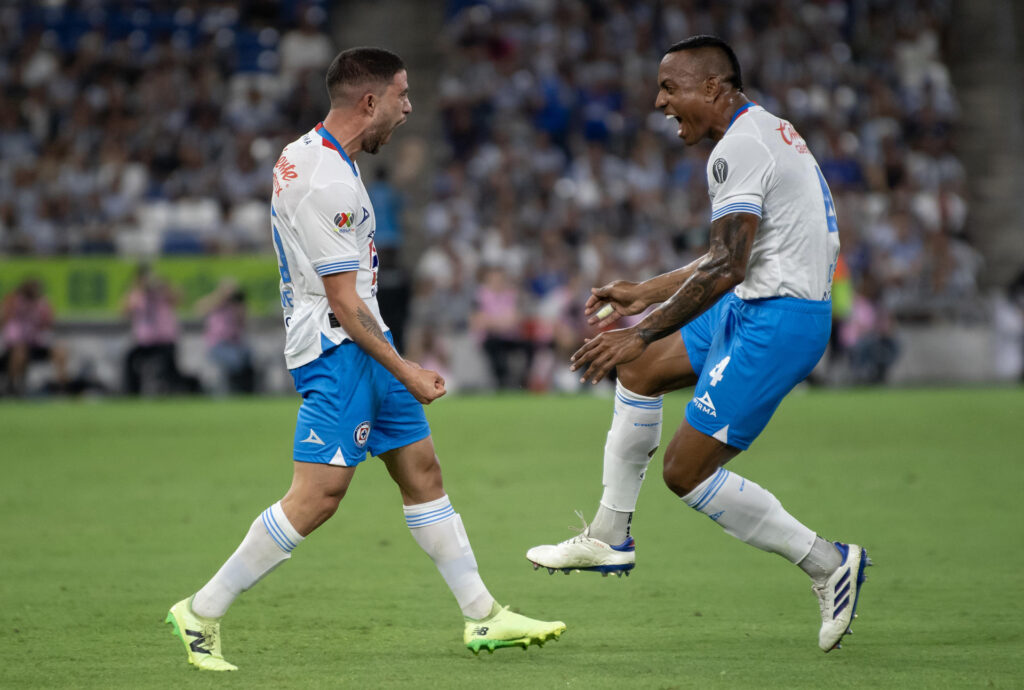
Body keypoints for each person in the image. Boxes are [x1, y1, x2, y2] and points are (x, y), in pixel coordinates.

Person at [166, 47, 565, 672]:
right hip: (340, 349)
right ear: (369, 101)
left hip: (360, 343)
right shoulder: (329, 183)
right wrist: (407, 367)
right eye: (403, 97)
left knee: (422, 473)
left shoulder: (309, 155)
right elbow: (345, 304)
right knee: (318, 496)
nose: (409, 109)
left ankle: (484, 616)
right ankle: (202, 610)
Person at [526, 36, 870, 653]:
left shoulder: (738, 149)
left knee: (684, 471)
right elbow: (730, 258)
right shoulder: (766, 130)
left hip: (780, 319)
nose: (659, 102)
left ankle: (827, 563)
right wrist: (645, 292)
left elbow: (728, 267)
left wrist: (643, 327)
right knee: (639, 374)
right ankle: (610, 535)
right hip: (754, 301)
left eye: (669, 88)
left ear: (713, 87)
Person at [0, 278, 68, 395]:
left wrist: (47, 311)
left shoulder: (42, 303)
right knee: (20, 351)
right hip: (16, 345)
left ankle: (61, 386)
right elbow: (3, 319)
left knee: (60, 350)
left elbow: (49, 323)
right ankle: (13, 385)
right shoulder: (13, 301)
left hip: (36, 343)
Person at [195, 279, 256, 394]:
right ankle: (233, 390)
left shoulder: (235, 306)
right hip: (218, 344)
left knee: (249, 355)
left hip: (236, 343)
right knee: (234, 359)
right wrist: (221, 295)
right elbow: (200, 309)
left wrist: (239, 304)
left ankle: (246, 391)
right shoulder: (215, 303)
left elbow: (243, 322)